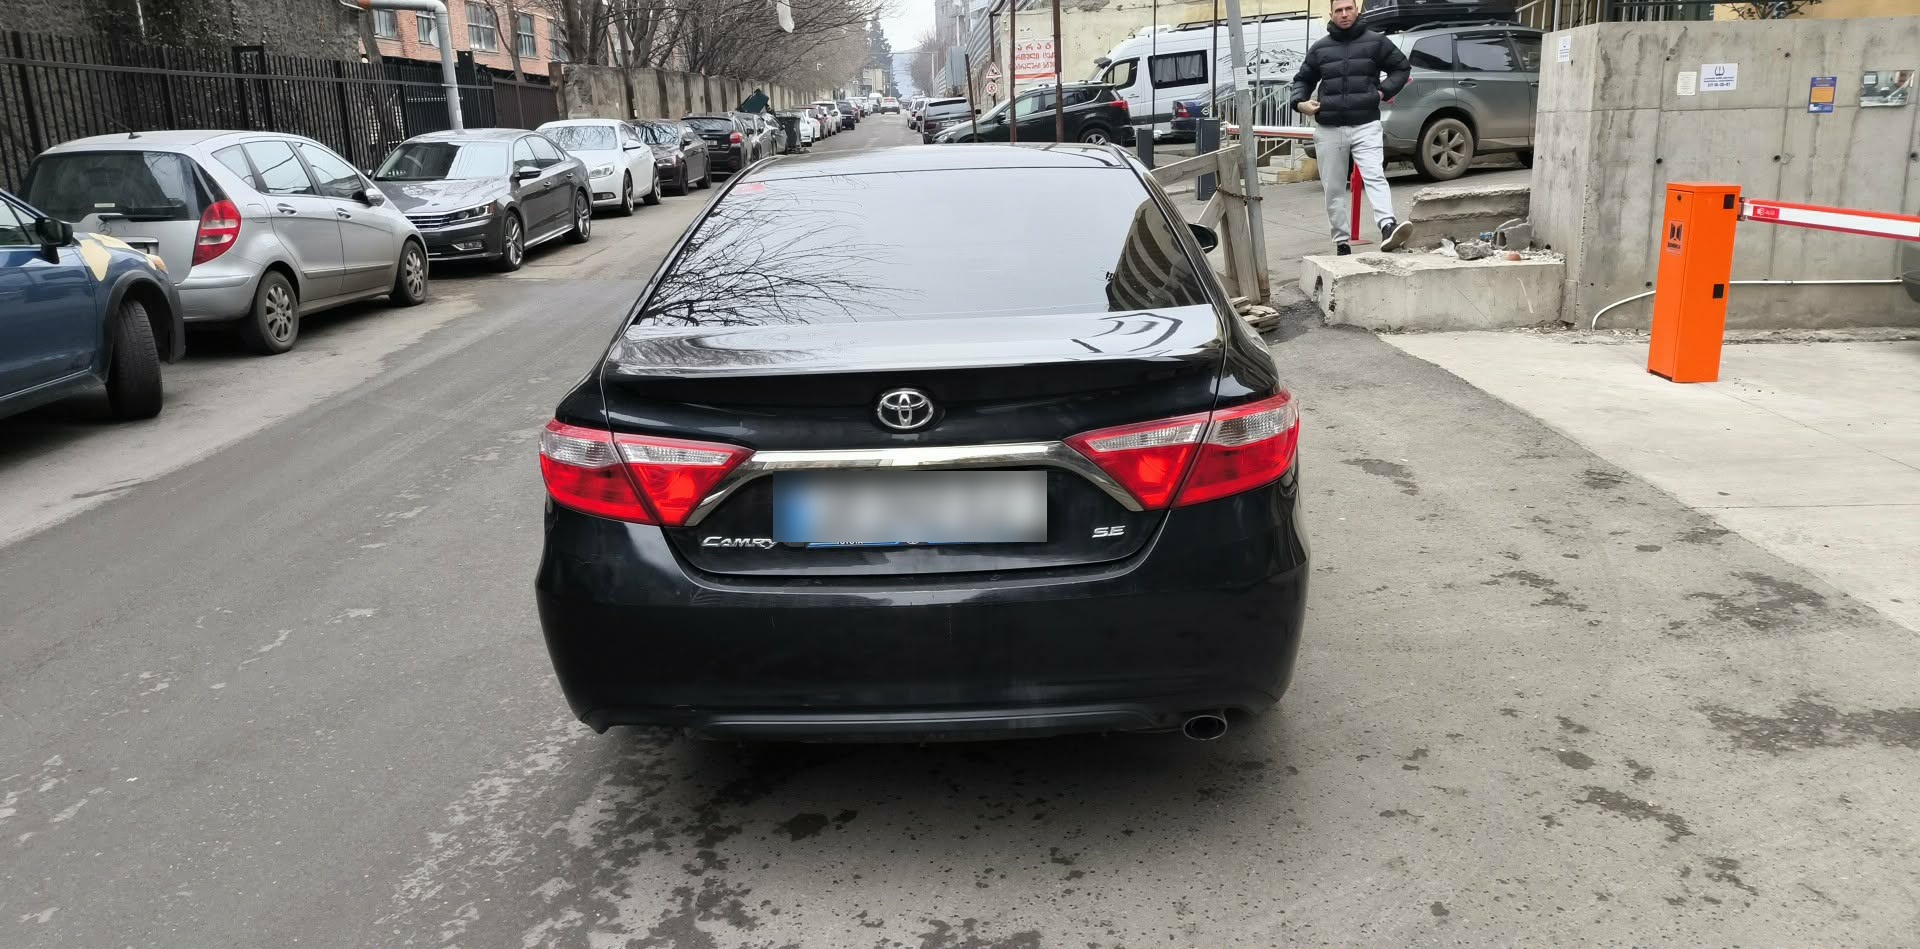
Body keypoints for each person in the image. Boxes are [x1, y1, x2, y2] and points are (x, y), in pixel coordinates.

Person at [1289, 0, 1412, 255]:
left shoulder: (1376, 42)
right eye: (1338, 10)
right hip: (1329, 128)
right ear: (1331, 14)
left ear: (1357, 11)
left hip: (1366, 123)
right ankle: (1341, 242)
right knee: (1333, 188)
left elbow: (1401, 68)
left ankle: (1388, 226)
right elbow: (1302, 79)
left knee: (1375, 176)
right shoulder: (1320, 48)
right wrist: (1300, 103)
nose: (1344, 14)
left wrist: (1382, 92)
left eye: (1348, 9)